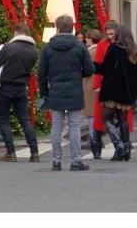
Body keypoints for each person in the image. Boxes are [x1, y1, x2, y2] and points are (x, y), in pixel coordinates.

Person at [37, 15, 94, 171]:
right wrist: (78, 74)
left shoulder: (48, 48)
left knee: (56, 126)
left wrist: (44, 93)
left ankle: (56, 161)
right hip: (74, 89)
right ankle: (75, 160)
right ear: (72, 28)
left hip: (55, 90)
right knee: (74, 126)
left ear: (57, 28)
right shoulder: (80, 47)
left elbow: (41, 74)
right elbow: (89, 70)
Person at [0, 23, 39, 162]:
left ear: (16, 33)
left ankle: (11, 152)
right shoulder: (34, 51)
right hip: (21, 87)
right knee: (25, 120)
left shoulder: (9, 47)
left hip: (5, 86)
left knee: (3, 120)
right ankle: (34, 152)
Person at [94, 25, 137, 161]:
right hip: (127, 92)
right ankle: (126, 150)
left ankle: (119, 145)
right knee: (123, 121)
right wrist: (134, 91)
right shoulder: (134, 50)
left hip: (112, 90)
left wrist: (93, 66)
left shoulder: (115, 48)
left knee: (107, 118)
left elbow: (106, 68)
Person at [82, 29, 105, 158]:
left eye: (87, 38)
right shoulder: (100, 50)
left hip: (90, 85)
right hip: (98, 84)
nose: (85, 40)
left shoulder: (90, 52)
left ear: (90, 38)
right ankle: (97, 138)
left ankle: (93, 139)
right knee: (96, 114)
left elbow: (86, 69)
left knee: (91, 115)